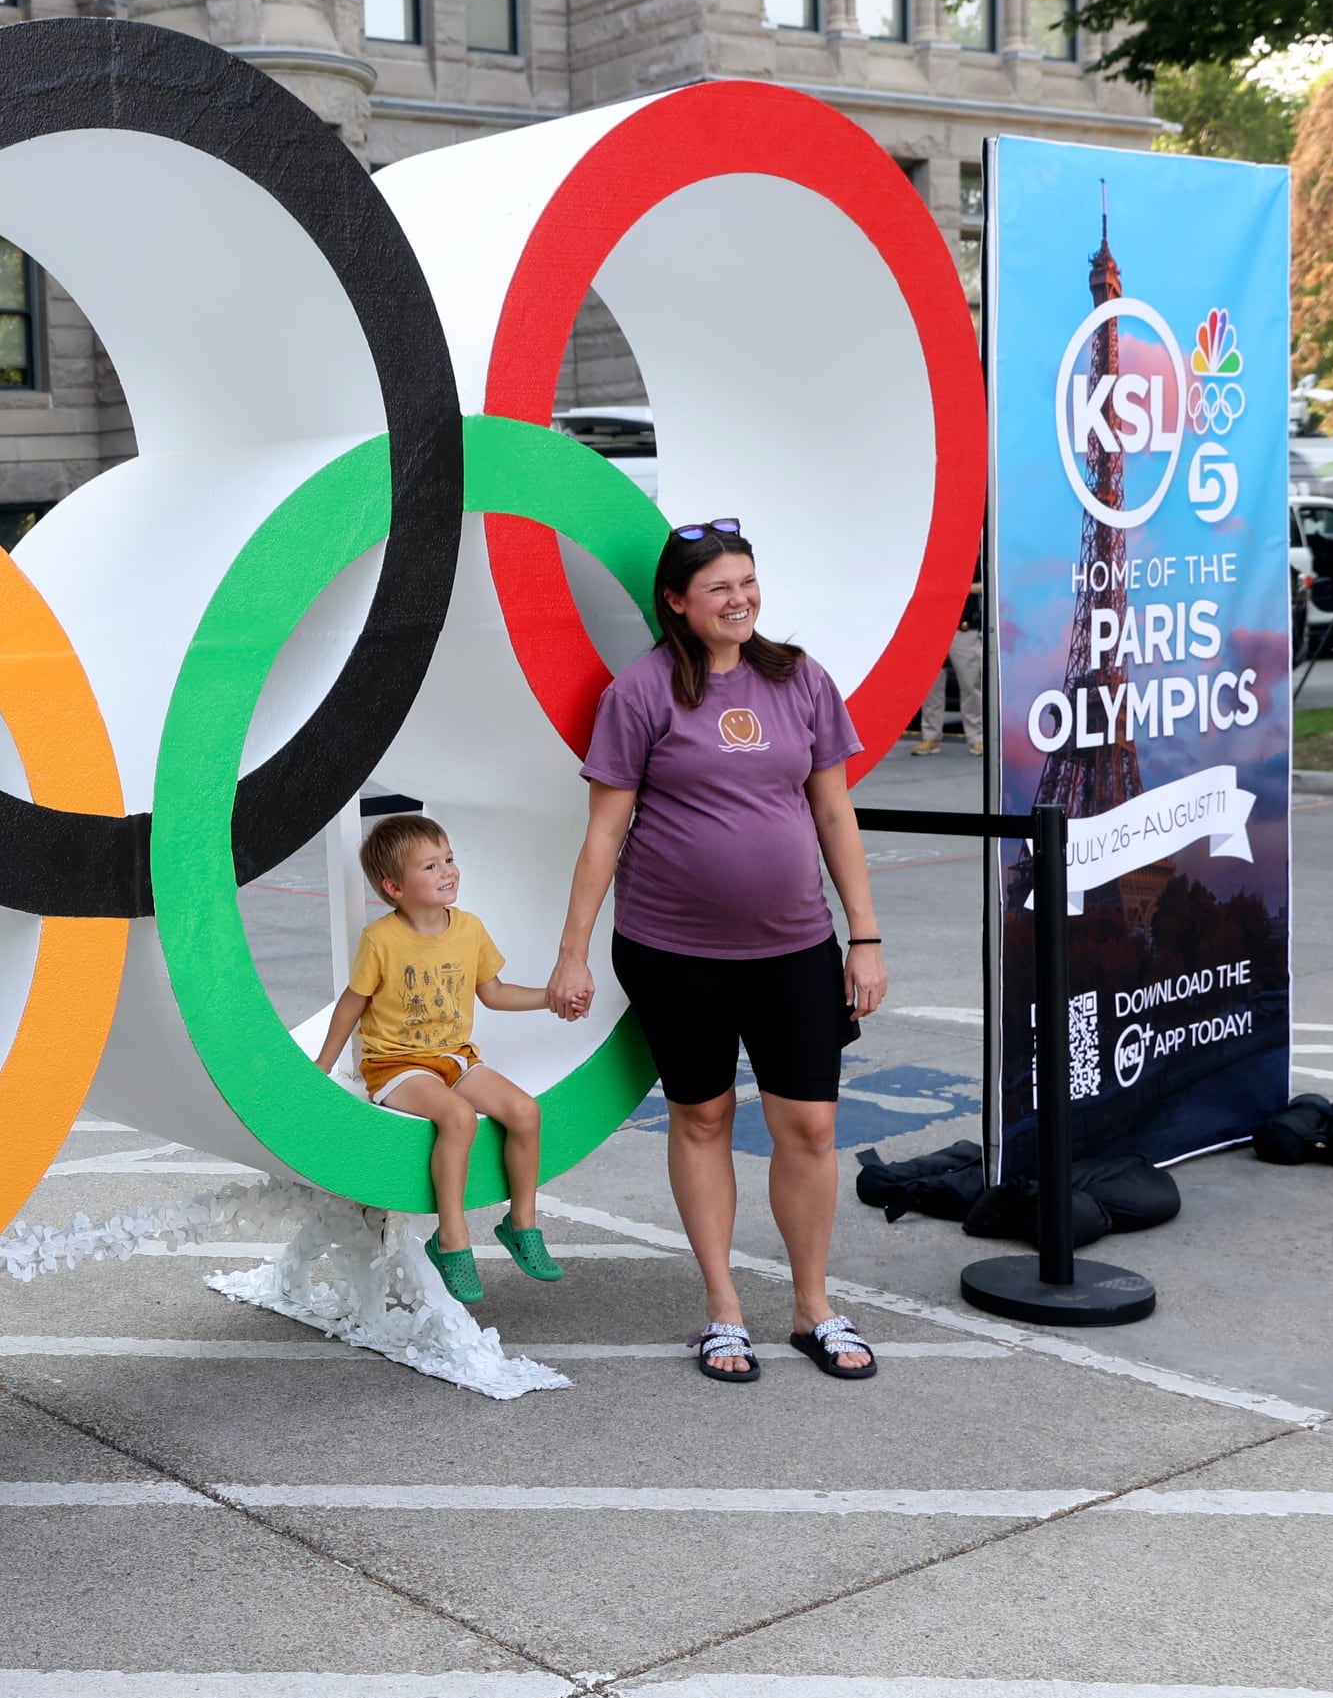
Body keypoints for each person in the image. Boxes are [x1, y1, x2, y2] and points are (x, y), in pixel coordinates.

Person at [546, 519, 885, 1384]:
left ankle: (813, 1305)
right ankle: (723, 1309)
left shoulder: (800, 680)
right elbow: (604, 835)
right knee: (703, 1118)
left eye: (747, 582)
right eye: (718, 589)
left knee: (809, 1127)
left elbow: (835, 816)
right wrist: (573, 954)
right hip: (673, 952)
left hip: (795, 948)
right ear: (677, 603)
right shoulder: (642, 693)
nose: (739, 600)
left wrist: (866, 937)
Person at [312, 814, 566, 1306]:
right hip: (396, 1063)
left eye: (448, 859)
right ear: (394, 887)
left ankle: (522, 1224)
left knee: (525, 1112)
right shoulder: (381, 940)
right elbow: (352, 1002)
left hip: (455, 1058)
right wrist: (323, 1065)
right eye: (430, 866)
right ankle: (452, 1239)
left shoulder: (469, 929)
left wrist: (549, 998)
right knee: (456, 1118)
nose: (447, 870)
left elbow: (493, 992)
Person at [913, 556, 987, 755]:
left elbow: (987, 584)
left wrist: (962, 588)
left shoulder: (974, 555)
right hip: (934, 627)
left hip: (962, 628)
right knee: (931, 687)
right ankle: (930, 737)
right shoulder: (934, 555)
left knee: (971, 686)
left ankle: (977, 738)